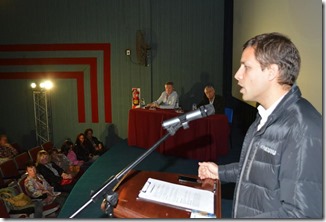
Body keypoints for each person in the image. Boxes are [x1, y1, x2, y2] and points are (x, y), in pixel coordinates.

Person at [198, 33, 322, 218]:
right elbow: (258, 168)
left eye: (246, 67)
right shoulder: (267, 115)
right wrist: (220, 172)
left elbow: (300, 214)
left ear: (272, 72)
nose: (237, 75)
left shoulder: (302, 128)